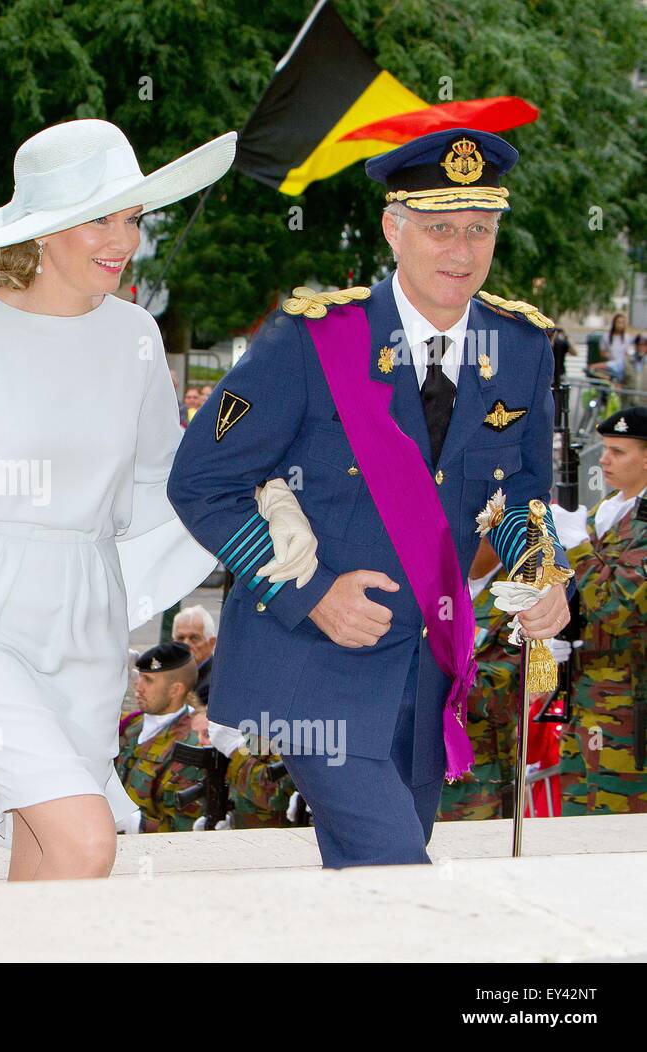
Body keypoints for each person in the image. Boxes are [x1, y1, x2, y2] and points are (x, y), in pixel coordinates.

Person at [0, 118, 317, 881]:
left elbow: (170, 480)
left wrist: (267, 501)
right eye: (100, 217)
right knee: (87, 838)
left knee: (46, 860)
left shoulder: (136, 337)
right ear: (42, 232)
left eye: (131, 217)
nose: (123, 238)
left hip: (85, 618)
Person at [169, 128, 571, 868]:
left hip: (428, 663)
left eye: (479, 229)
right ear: (394, 227)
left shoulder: (519, 345)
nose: (461, 250)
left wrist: (542, 572)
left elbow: (521, 497)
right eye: (440, 227)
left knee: (376, 895)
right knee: (395, 865)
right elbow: (202, 482)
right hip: (314, 659)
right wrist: (313, 592)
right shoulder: (313, 339)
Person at [558, 406, 647, 814]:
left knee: (619, 840)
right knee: (575, 832)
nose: (605, 460)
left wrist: (576, 546)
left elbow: (616, 608)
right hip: (587, 701)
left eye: (618, 451)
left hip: (630, 713)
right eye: (605, 449)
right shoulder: (604, 514)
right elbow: (585, 601)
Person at [437, 540, 517, 821]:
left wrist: (430, 671)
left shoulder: (516, 595)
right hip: (421, 767)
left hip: (481, 781)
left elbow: (500, 692)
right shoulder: (437, 586)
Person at [115, 642, 206, 833]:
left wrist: (134, 824)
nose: (137, 687)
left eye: (148, 680)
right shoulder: (134, 725)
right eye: (139, 677)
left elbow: (184, 831)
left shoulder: (190, 748)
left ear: (175, 690)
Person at [172, 603, 217, 707]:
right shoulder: (172, 674)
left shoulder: (213, 684)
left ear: (211, 643)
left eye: (194, 638)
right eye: (180, 638)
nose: (186, 644)